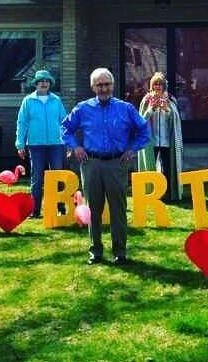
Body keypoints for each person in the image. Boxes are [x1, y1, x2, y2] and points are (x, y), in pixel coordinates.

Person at [61, 68, 150, 265]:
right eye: (99, 85)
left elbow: (144, 131)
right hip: (90, 163)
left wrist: (132, 149)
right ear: (93, 87)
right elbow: (65, 129)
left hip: (117, 164)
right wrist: (75, 147)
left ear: (113, 85)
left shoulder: (126, 108)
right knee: (94, 209)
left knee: (118, 209)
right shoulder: (82, 109)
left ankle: (120, 252)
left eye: (107, 84)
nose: (104, 88)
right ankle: (96, 251)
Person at [15, 69, 67, 219]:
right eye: (41, 81)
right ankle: (35, 211)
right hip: (35, 145)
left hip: (56, 144)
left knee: (58, 176)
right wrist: (20, 144)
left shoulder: (56, 100)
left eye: (46, 81)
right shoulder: (28, 101)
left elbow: (64, 121)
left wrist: (69, 142)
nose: (44, 83)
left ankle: (61, 209)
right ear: (36, 84)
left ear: (50, 84)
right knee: (36, 177)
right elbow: (22, 123)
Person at [137, 72, 183, 202]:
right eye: (155, 84)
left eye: (160, 84)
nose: (157, 86)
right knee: (151, 169)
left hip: (167, 141)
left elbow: (175, 120)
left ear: (164, 86)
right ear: (151, 86)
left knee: (167, 169)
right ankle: (152, 194)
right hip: (151, 142)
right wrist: (151, 108)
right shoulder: (146, 100)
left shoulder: (170, 100)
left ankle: (168, 194)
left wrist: (166, 109)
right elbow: (141, 120)